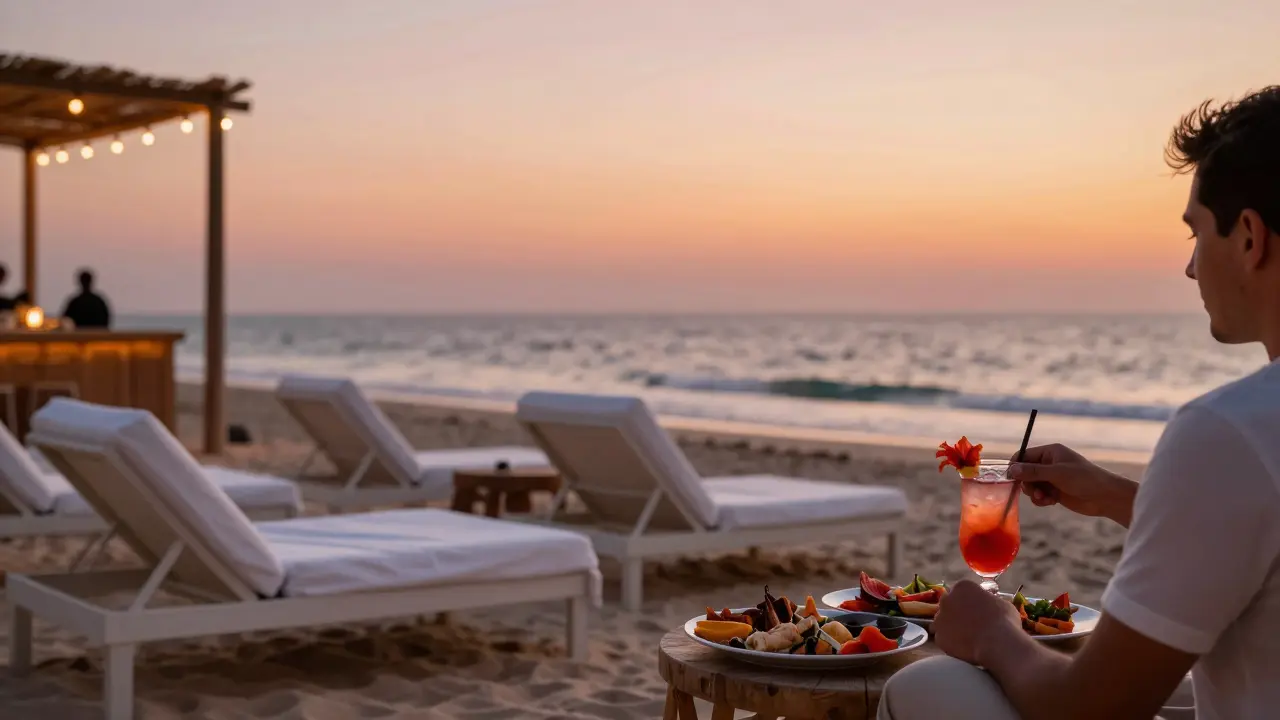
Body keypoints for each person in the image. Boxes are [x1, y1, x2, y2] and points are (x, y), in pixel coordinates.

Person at [878, 86, 1280, 720]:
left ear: (1251, 238)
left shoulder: (1227, 433)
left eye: (1197, 235)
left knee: (921, 687)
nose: (1191, 268)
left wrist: (990, 631)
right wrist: (1120, 496)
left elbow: (1087, 708)